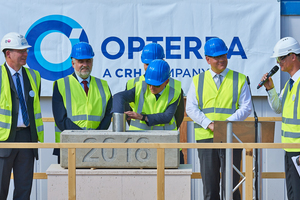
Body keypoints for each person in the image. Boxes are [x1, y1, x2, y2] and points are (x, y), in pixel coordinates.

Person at [186, 37, 252, 200]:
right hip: (207, 139)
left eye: (224, 55)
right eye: (217, 57)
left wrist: (225, 125)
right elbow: (191, 108)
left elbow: (246, 107)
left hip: (231, 137)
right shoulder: (198, 80)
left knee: (232, 187)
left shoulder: (240, 79)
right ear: (207, 59)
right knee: (210, 188)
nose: (222, 59)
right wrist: (208, 124)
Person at [0, 32, 44, 199]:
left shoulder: (34, 76)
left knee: (24, 191)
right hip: (3, 141)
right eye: (20, 50)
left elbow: (33, 106)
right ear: (8, 53)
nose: (25, 54)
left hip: (27, 139)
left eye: (25, 50)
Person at [52, 42, 112, 163]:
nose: (85, 65)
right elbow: (60, 119)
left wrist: (94, 137)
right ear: (73, 63)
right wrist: (82, 137)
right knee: (68, 181)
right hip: (69, 144)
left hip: (96, 145)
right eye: (81, 61)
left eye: (88, 61)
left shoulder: (103, 85)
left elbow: (108, 115)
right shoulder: (61, 84)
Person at [126, 43, 185, 162]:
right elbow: (128, 115)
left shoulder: (175, 86)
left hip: (168, 142)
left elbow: (178, 116)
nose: (151, 67)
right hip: (140, 144)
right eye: (147, 64)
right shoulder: (132, 84)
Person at [260, 36, 300, 200]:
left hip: (298, 151)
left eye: (281, 57)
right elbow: (278, 107)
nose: (278, 62)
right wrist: (270, 89)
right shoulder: (289, 84)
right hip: (290, 151)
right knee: (292, 195)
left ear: (293, 56)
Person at [112, 59, 182, 131]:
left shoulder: (174, 94)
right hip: (139, 136)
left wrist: (142, 117)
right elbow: (118, 97)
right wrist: (119, 116)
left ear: (166, 82)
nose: (151, 88)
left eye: (156, 85)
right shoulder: (140, 88)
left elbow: (167, 116)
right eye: (149, 84)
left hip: (165, 137)